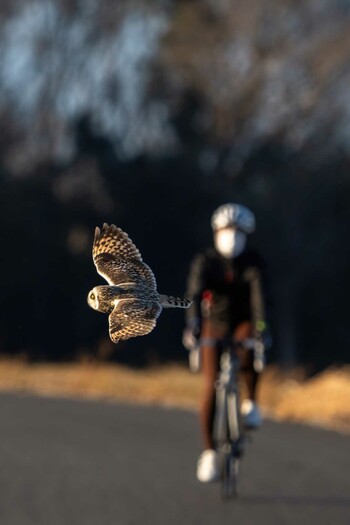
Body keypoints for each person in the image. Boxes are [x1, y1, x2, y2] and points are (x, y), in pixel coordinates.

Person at [183, 203, 270, 483]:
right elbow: (194, 296)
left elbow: (260, 300)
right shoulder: (205, 262)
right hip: (215, 323)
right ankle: (208, 453)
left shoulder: (254, 262)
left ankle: (252, 402)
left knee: (249, 348)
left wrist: (260, 329)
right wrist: (194, 326)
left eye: (237, 231)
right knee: (211, 385)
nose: (231, 236)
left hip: (244, 320)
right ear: (216, 232)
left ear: (246, 235)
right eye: (225, 230)